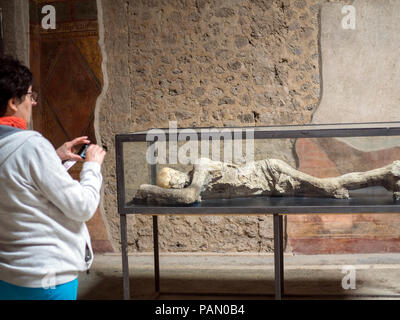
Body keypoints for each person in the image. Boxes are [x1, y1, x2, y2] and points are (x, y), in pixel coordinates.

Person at [0, 55, 106, 300]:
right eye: (30, 96)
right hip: (45, 277)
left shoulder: (22, 148)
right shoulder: (31, 145)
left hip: (7, 276)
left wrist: (54, 157)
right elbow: (82, 207)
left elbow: (15, 180)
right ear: (12, 103)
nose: (33, 103)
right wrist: (92, 167)